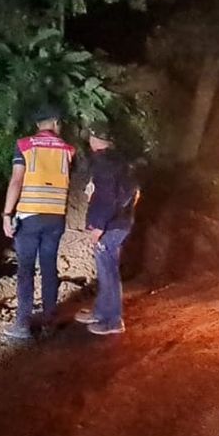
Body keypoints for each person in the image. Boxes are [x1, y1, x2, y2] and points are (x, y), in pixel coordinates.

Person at [0, 105, 75, 343]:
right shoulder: (68, 150)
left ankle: (22, 324)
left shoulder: (24, 145)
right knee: (49, 267)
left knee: (25, 269)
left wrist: (6, 213)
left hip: (29, 216)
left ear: (38, 125)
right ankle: (49, 321)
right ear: (54, 123)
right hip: (55, 216)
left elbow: (16, 180)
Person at [75, 122, 138, 336]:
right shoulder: (120, 161)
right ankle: (102, 312)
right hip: (119, 223)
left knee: (108, 272)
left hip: (110, 226)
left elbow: (106, 198)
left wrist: (98, 226)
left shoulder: (103, 163)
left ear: (96, 139)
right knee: (106, 271)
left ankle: (112, 320)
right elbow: (133, 192)